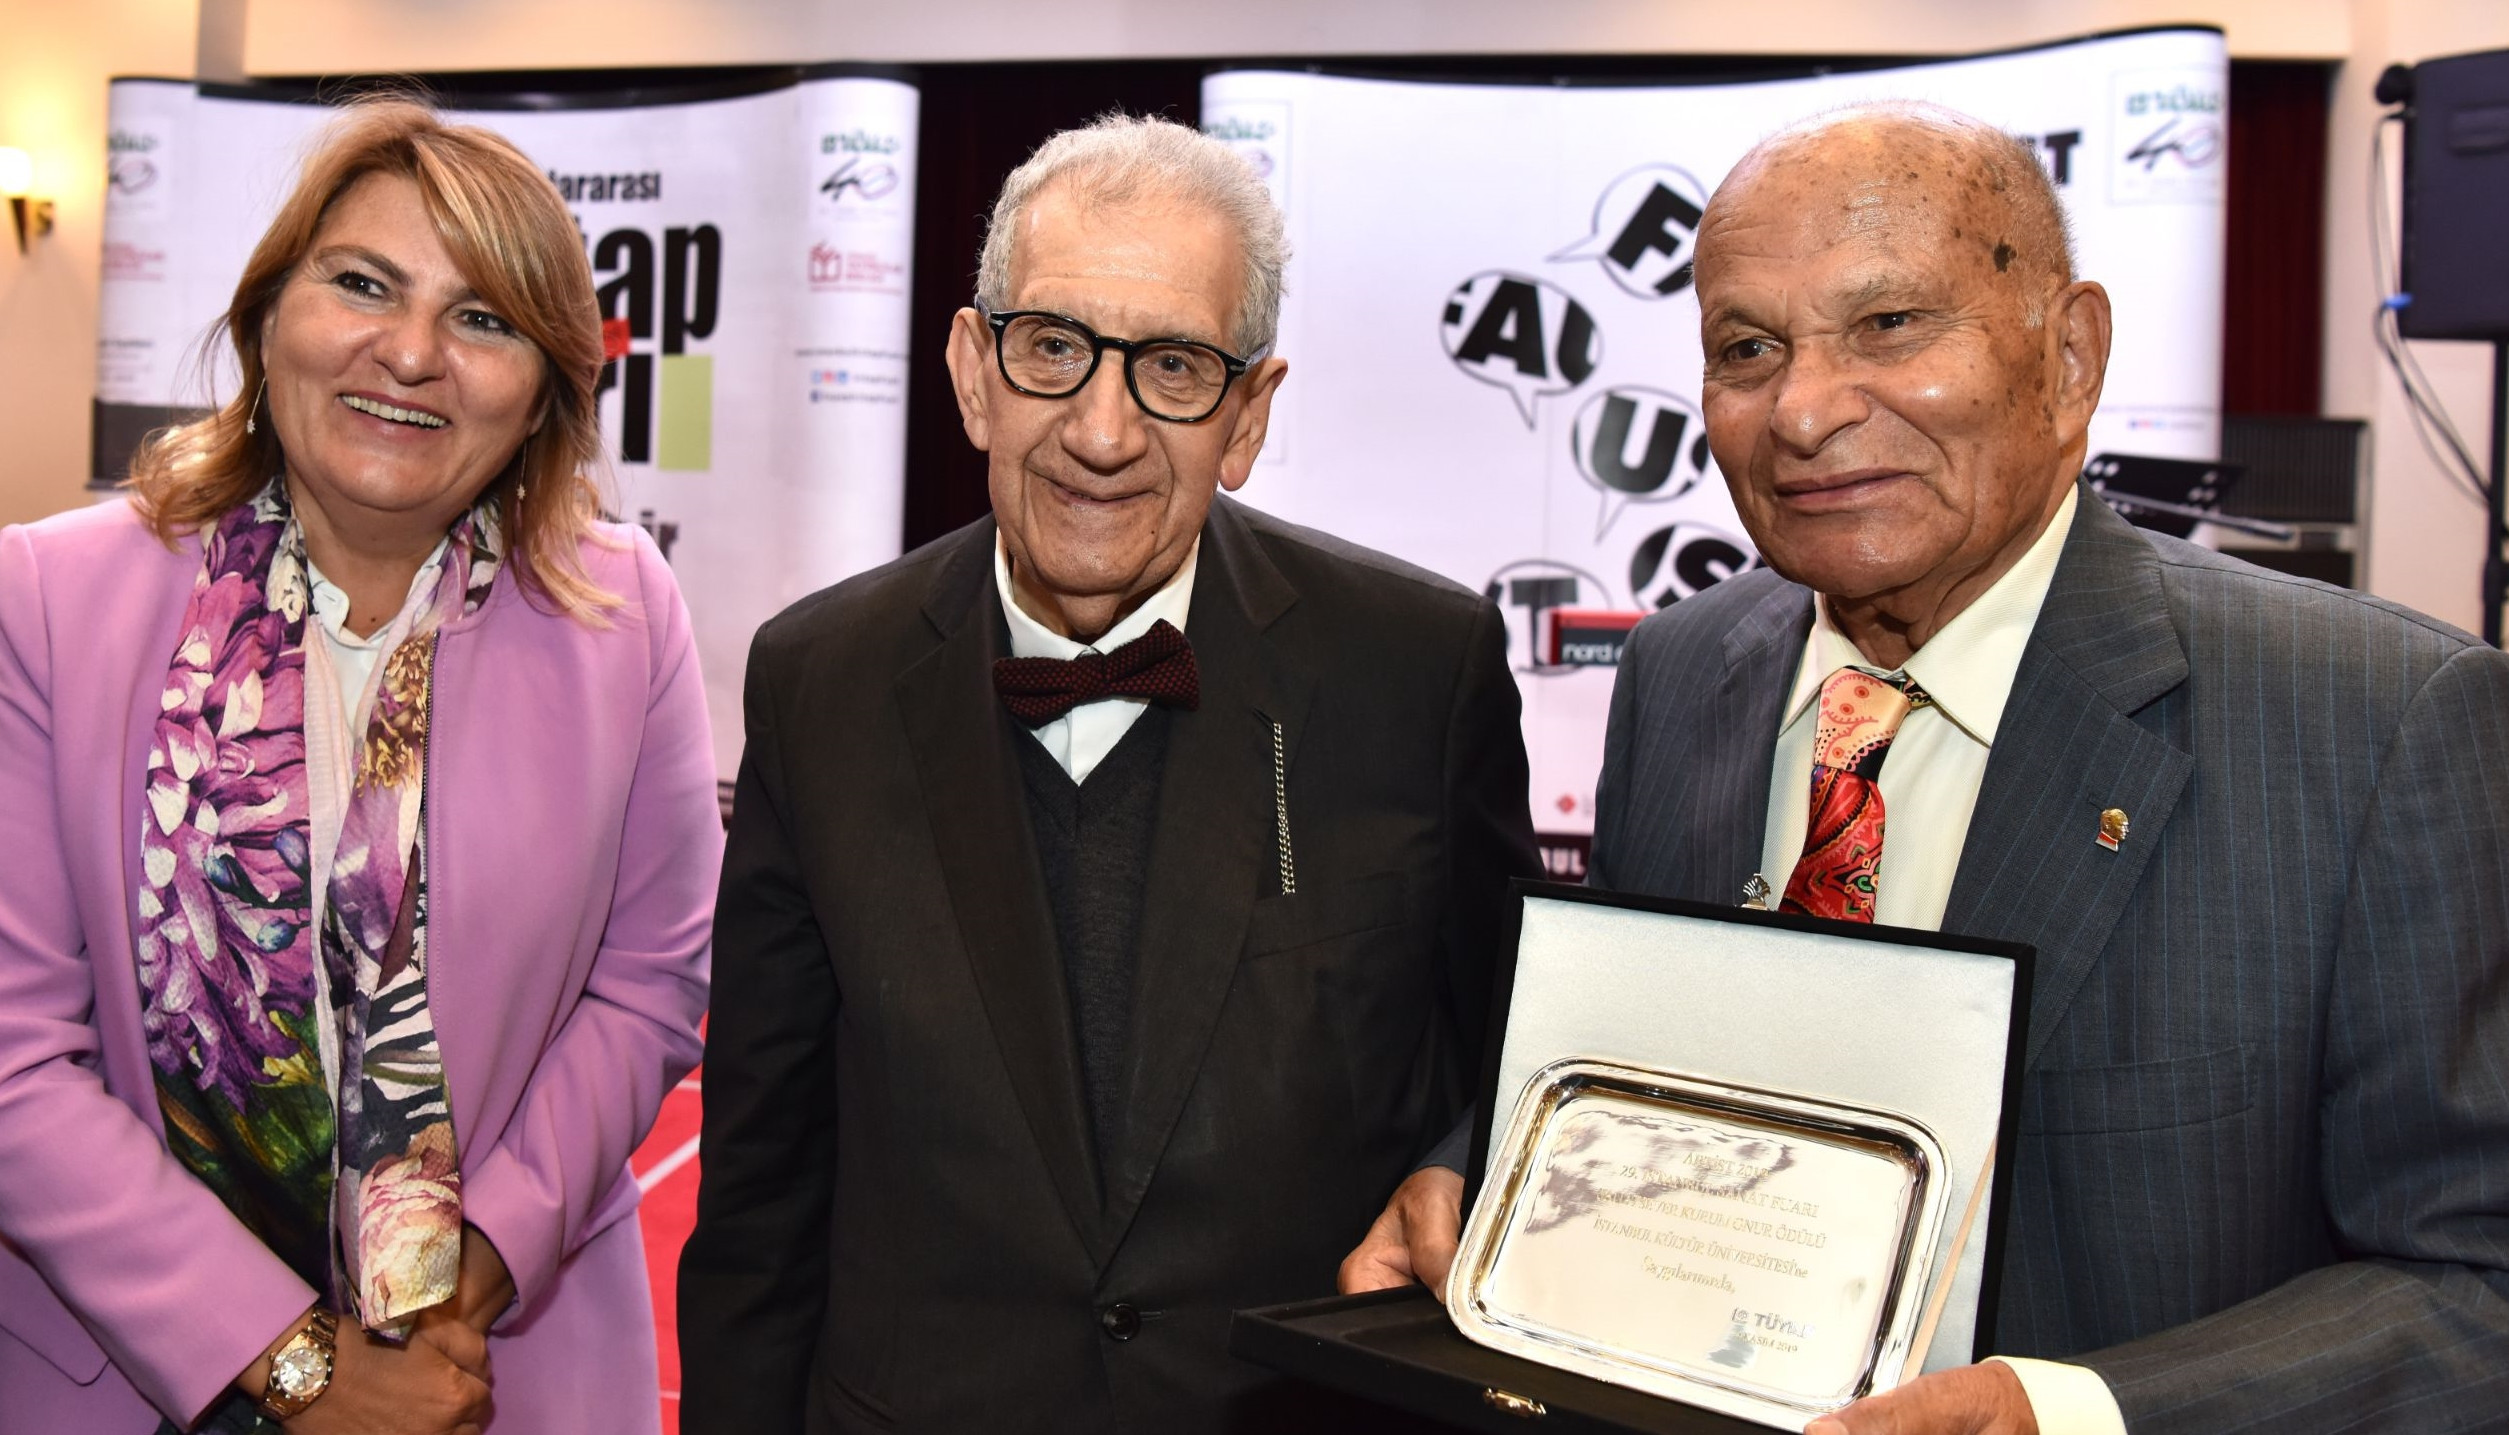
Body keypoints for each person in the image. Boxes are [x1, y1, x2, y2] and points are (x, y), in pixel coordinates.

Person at [1343, 103, 2509, 1433]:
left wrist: (2068, 1414)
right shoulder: (1680, 673)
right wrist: (1483, 1171)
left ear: (2068, 357)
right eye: (1746, 349)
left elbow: (2479, 1283)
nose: (1802, 411)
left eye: (1888, 325)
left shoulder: (2379, 725)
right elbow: (1627, 1057)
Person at [677, 113, 1539, 1433]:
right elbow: (760, 1193)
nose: (1100, 431)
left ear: (1247, 416)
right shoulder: (819, 680)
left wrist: (1457, 1170)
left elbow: (1520, 1065)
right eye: (1052, 348)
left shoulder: (1419, 672)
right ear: (974, 372)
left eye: (1174, 368)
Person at [0, 101, 720, 1435]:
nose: (412, 353)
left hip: (488, 1368)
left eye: (482, 317)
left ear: (545, 390)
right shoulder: (46, 598)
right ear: (269, 314)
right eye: (363, 284)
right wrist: (297, 1366)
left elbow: (650, 986)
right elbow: (14, 1059)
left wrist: (464, 1277)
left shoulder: (625, 616)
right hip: (117, 1380)